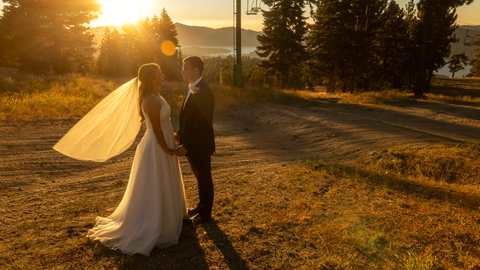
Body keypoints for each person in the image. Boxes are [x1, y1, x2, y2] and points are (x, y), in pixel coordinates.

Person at [53, 63, 187, 256]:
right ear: (151, 78)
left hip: (164, 140)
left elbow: (163, 125)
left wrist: (172, 136)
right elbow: (156, 129)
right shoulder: (149, 99)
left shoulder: (157, 96)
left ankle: (170, 218)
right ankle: (154, 223)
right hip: (156, 146)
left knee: (165, 180)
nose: (163, 75)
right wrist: (166, 147)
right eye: (159, 74)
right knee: (155, 183)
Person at [175, 56, 216, 225]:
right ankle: (201, 206)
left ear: (195, 71)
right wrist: (179, 133)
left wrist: (186, 146)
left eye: (185, 68)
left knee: (204, 178)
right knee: (200, 178)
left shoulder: (204, 93)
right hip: (193, 142)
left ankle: (205, 213)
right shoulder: (193, 87)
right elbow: (189, 118)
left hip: (200, 145)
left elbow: (201, 125)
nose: (182, 71)